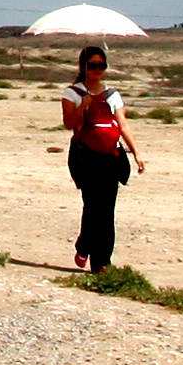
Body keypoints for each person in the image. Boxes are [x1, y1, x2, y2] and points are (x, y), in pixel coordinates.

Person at [58, 44, 134, 275]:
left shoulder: (112, 94)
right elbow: (69, 124)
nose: (97, 70)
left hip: (111, 156)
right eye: (93, 66)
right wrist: (83, 108)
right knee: (92, 206)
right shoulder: (72, 93)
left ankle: (102, 263)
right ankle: (84, 245)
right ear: (84, 66)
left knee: (107, 210)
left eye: (101, 65)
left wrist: (136, 152)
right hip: (85, 157)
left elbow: (122, 124)